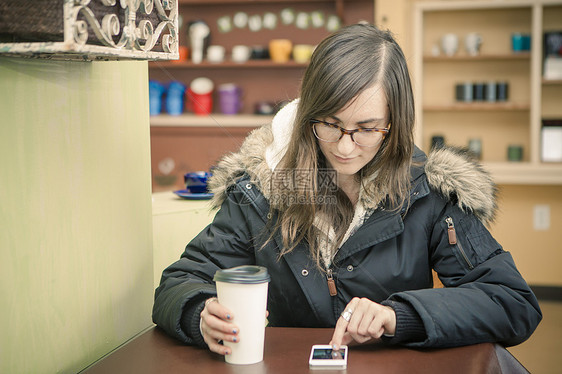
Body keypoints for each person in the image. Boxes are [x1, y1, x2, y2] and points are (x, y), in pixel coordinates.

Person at [152, 23, 541, 356]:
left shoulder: (427, 190)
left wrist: (398, 315)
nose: (344, 146)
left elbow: (511, 302)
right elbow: (178, 282)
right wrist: (199, 313)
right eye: (330, 124)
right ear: (309, 115)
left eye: (367, 129)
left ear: (395, 122)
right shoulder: (261, 186)